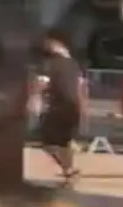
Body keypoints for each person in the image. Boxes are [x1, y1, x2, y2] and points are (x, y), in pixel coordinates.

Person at [32, 29, 86, 187]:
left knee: (48, 143)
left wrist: (35, 98)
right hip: (72, 106)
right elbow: (81, 87)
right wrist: (83, 107)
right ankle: (69, 170)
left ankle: (68, 169)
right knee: (63, 142)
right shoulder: (74, 64)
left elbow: (41, 83)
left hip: (57, 107)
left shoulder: (49, 64)